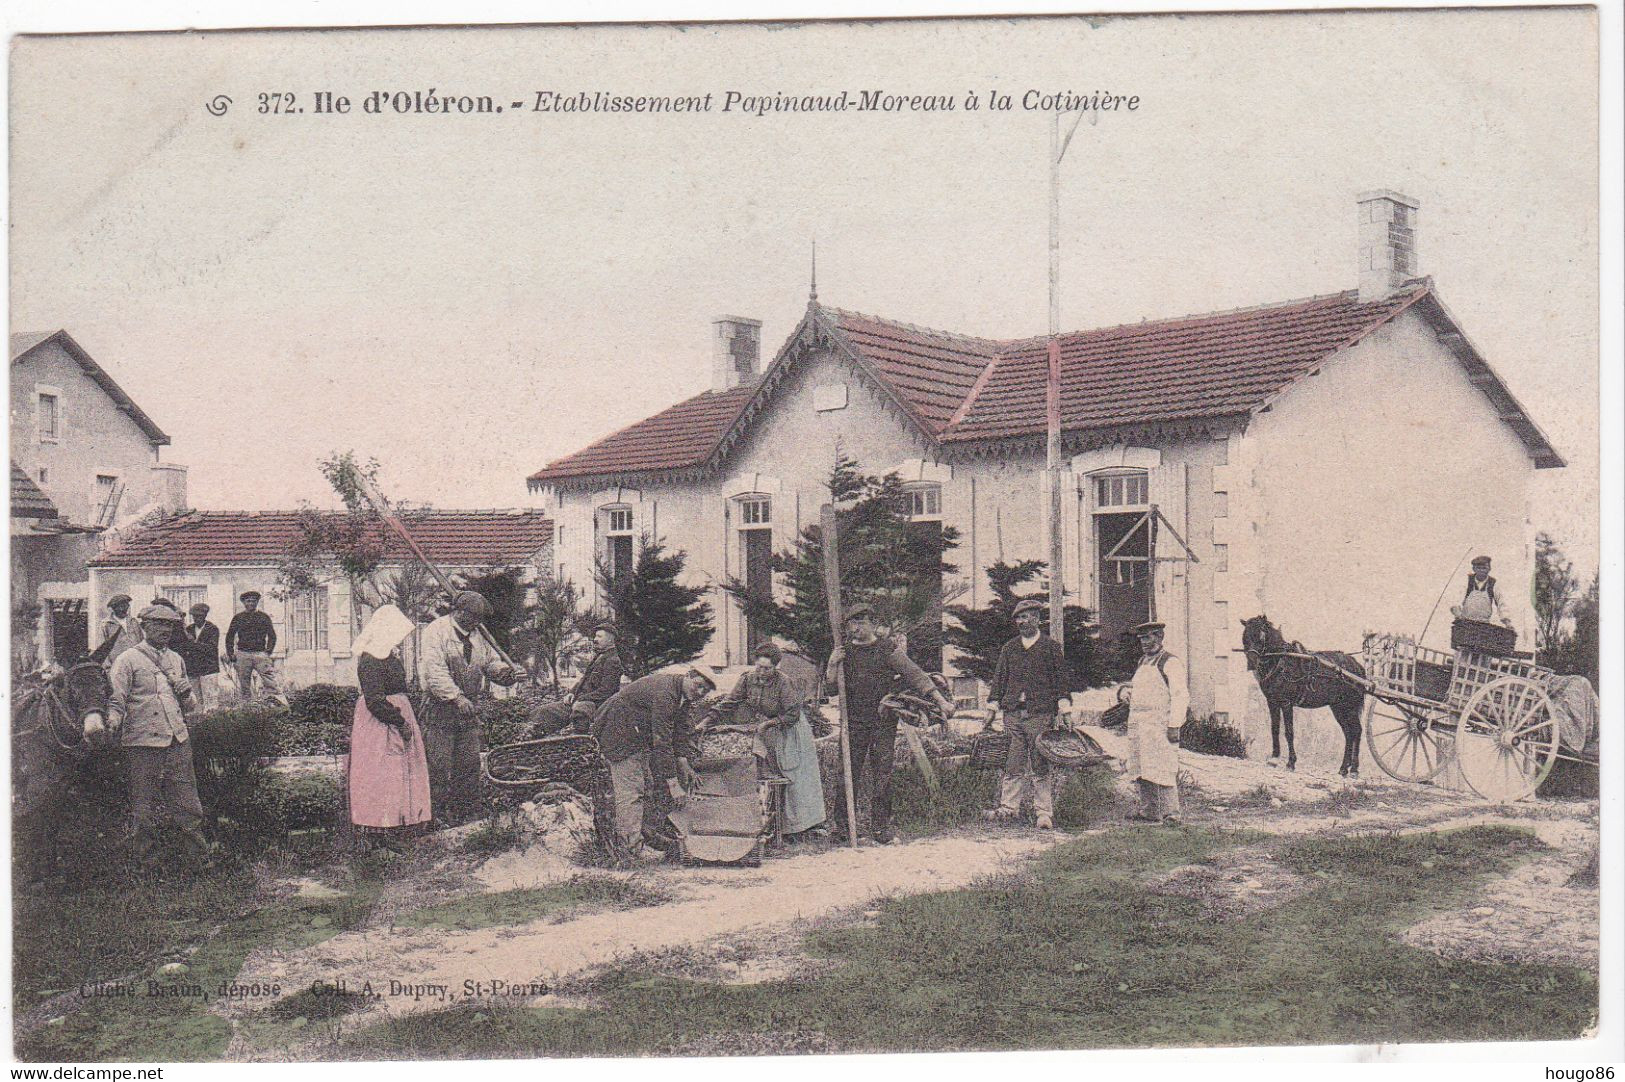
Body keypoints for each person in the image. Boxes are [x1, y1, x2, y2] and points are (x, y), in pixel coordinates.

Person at [827, 604, 954, 845]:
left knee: (882, 774)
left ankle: (880, 828)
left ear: (873, 624)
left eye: (862, 622)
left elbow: (915, 675)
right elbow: (831, 689)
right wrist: (833, 665)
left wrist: (940, 701)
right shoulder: (844, 653)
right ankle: (842, 828)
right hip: (853, 722)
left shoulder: (887, 649)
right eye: (852, 623)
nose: (857, 627)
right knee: (847, 773)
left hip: (882, 722)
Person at [106, 604, 212, 871]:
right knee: (144, 806)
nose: (165, 630)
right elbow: (116, 699)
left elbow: (190, 706)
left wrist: (187, 692)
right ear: (144, 627)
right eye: (158, 624)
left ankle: (197, 859)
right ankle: (147, 863)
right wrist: (112, 723)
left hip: (177, 739)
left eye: (169, 625)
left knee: (188, 802)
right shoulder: (127, 659)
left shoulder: (176, 659)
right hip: (142, 742)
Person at [592, 667, 715, 858]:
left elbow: (679, 729)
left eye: (704, 691)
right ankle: (630, 849)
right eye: (698, 686)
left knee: (646, 787)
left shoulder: (681, 694)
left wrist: (683, 761)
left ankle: (646, 838)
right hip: (618, 734)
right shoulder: (666, 693)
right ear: (689, 675)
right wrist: (674, 785)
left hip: (636, 735)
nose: (699, 693)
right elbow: (662, 740)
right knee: (631, 791)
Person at [713, 641, 827, 842]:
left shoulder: (784, 683)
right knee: (768, 771)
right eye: (759, 666)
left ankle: (799, 828)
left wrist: (769, 724)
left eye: (767, 668)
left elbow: (793, 714)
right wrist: (708, 720)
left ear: (776, 667)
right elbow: (730, 702)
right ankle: (771, 826)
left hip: (791, 729)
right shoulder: (747, 679)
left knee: (793, 775)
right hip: (770, 729)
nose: (762, 672)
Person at [418, 590, 514, 824]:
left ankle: (467, 814)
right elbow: (434, 672)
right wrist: (456, 697)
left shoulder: (478, 635)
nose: (476, 622)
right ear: (459, 612)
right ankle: (435, 817)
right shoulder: (436, 631)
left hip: (469, 709)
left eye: (479, 619)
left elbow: (489, 662)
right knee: (438, 765)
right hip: (440, 707)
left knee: (469, 763)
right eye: (472, 617)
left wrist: (505, 673)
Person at [983, 599, 1073, 830]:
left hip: (1040, 714)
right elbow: (999, 680)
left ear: (1037, 619)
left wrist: (1065, 710)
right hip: (1013, 714)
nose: (1022, 622)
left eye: (1027, 617)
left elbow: (1061, 682)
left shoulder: (1050, 648)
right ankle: (1009, 809)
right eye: (1019, 618)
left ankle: (1043, 813)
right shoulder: (1009, 648)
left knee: (1040, 762)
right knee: (1013, 762)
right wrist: (992, 708)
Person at [349, 605, 431, 852]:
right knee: (383, 775)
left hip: (395, 717)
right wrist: (400, 722)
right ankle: (381, 832)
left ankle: (401, 825)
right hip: (381, 725)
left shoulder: (388, 657)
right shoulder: (370, 659)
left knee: (400, 773)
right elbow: (375, 700)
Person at [1124, 621, 1188, 825]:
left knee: (1164, 765)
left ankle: (1172, 813)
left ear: (1159, 637)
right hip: (1139, 722)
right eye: (1142, 638)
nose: (1144, 642)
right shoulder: (1143, 661)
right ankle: (1149, 810)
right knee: (1142, 765)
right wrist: (1127, 694)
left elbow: (1180, 696)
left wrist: (1174, 725)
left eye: (1149, 637)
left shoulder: (1170, 662)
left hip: (1160, 722)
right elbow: (1140, 688)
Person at [531, 626, 625, 735]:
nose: (595, 639)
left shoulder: (612, 661)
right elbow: (584, 679)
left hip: (597, 705)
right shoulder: (599, 657)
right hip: (580, 701)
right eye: (595, 636)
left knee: (580, 711)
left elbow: (607, 691)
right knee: (544, 711)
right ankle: (540, 739)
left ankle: (579, 742)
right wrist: (571, 693)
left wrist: (581, 699)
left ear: (610, 639)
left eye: (599, 636)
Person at [224, 590, 281, 700]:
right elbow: (229, 636)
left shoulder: (264, 617)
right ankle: (248, 708)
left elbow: (272, 636)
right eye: (248, 601)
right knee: (244, 684)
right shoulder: (238, 618)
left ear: (257, 602)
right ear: (244, 603)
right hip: (243, 654)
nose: (251, 604)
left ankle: (274, 704)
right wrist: (230, 653)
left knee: (270, 681)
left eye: (253, 601)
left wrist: (268, 651)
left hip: (260, 654)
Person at [1451, 555, 1514, 628]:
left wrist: (1507, 623)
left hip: (1484, 624)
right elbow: (1456, 600)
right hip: (1465, 623)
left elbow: (1502, 604)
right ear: (1474, 569)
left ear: (1489, 569)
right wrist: (1458, 615)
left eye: (1484, 568)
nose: (1481, 571)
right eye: (1478, 568)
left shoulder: (1493, 583)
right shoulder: (1467, 581)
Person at [182, 603, 222, 711]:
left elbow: (211, 648)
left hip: (208, 668)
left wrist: (193, 643)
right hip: (193, 668)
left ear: (205, 615)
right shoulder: (188, 629)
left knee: (210, 698)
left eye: (199, 616)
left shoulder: (213, 629)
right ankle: (198, 720)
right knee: (195, 699)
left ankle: (210, 722)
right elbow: (185, 648)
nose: (197, 619)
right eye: (194, 616)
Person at [94, 594, 142, 666]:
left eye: (126, 606)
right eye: (121, 607)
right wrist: (107, 666)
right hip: (117, 664)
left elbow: (141, 641)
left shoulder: (134, 621)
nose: (124, 610)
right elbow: (102, 648)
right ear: (114, 608)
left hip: (136, 662)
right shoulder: (106, 624)